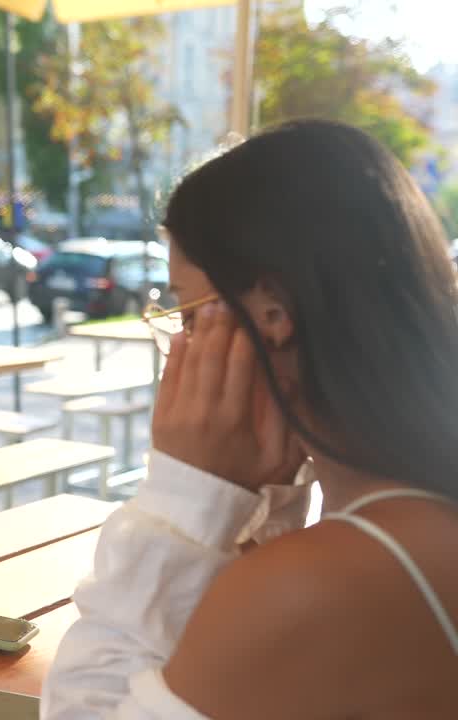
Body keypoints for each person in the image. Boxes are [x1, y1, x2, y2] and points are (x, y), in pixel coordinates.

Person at [43, 119, 458, 718]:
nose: (177, 345)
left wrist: (184, 503)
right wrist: (268, 506)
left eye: (184, 310)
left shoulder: (313, 587)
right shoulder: (408, 517)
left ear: (271, 313)